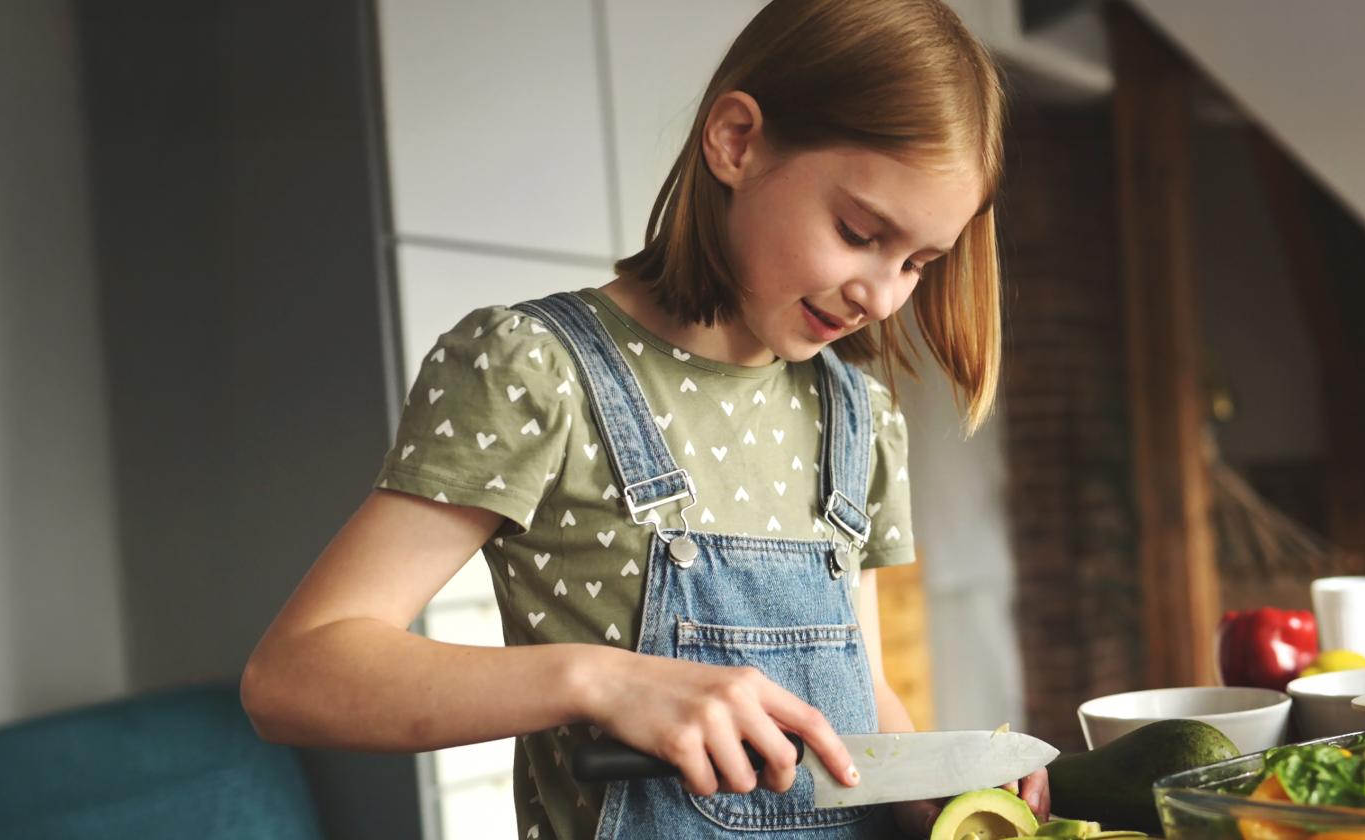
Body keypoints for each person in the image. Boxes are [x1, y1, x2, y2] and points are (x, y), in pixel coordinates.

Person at [241, 0, 1046, 836]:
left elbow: (858, 705)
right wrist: (602, 681)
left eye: (917, 263)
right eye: (856, 232)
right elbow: (295, 677)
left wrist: (945, 799)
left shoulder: (859, 416)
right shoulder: (539, 371)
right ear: (735, 142)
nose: (881, 297)